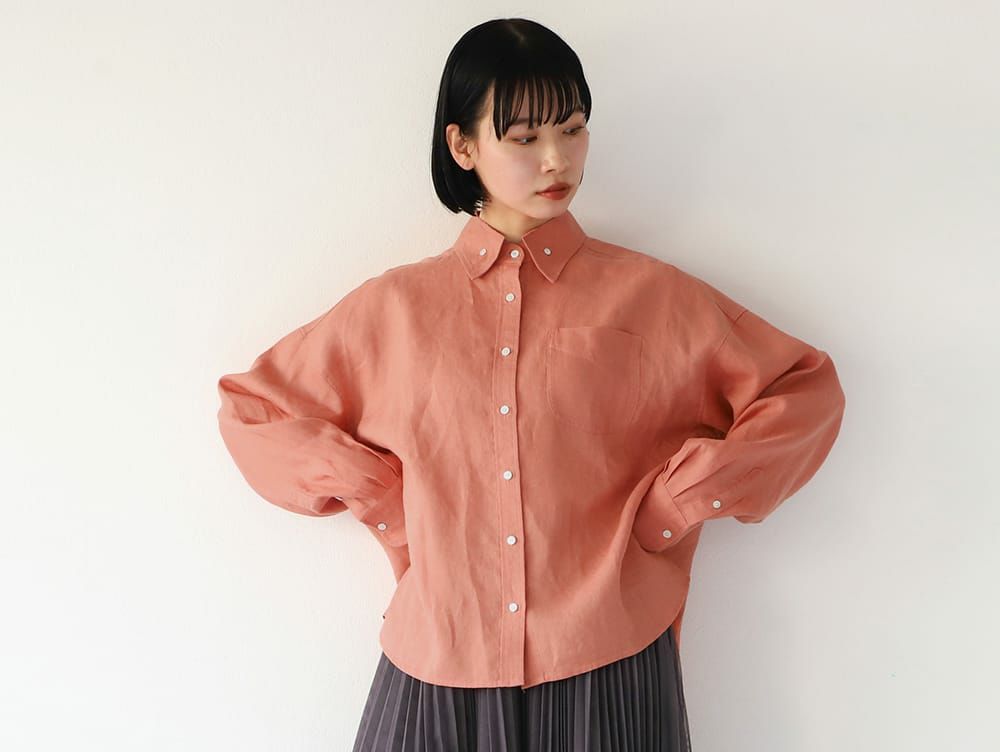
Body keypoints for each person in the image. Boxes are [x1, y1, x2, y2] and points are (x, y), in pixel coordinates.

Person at [216, 17, 846, 752]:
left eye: (573, 130)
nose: (557, 159)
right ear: (463, 146)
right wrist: (385, 500)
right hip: (438, 662)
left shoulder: (652, 297)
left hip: (607, 660)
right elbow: (252, 411)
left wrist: (676, 504)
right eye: (524, 138)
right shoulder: (393, 312)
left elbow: (803, 390)